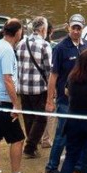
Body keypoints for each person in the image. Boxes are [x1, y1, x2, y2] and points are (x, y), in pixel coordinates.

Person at [0, 19, 36, 173]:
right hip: (3, 101)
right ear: (17, 33)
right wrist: (16, 104)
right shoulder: (7, 50)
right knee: (18, 139)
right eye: (21, 31)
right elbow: (7, 79)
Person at [44, 14, 87, 173]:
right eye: (74, 28)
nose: (76, 31)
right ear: (68, 27)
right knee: (62, 136)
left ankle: (77, 166)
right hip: (65, 101)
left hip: (83, 99)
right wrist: (50, 100)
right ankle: (51, 167)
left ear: (83, 28)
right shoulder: (60, 48)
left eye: (79, 28)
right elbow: (53, 76)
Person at [16, 16, 52, 158]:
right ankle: (30, 147)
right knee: (41, 118)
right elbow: (49, 70)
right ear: (43, 29)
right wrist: (52, 91)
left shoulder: (21, 43)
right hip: (39, 87)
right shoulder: (44, 45)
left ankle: (32, 143)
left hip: (23, 86)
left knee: (28, 116)